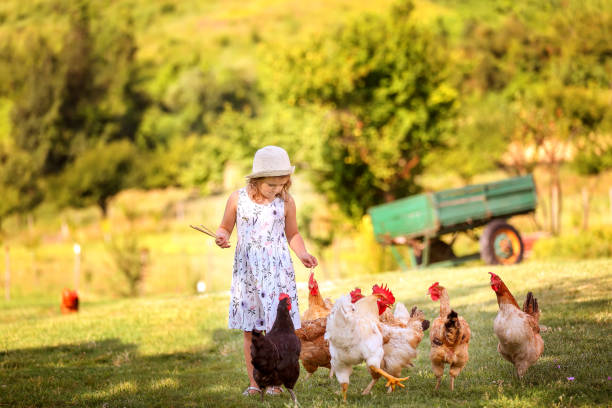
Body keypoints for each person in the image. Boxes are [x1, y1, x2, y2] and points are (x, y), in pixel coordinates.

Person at [215, 145, 318, 396]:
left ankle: (273, 383)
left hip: (277, 272)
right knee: (251, 330)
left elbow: (292, 233)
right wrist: (221, 236)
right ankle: (254, 383)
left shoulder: (286, 202)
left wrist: (302, 253)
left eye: (282, 184)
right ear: (257, 180)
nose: (277, 190)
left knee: (276, 329)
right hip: (249, 273)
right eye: (271, 185)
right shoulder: (237, 199)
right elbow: (225, 227)